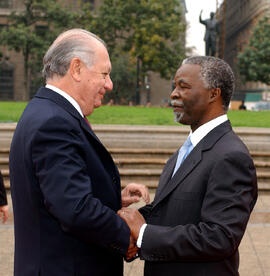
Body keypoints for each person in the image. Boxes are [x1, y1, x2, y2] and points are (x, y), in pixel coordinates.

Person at [9, 28, 149, 276]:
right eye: (104, 74)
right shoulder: (54, 123)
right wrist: (130, 235)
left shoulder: (45, 111)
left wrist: (112, 197)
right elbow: (74, 210)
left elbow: (58, 193)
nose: (109, 84)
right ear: (76, 69)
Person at [118, 56, 258, 276]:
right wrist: (127, 220)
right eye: (175, 86)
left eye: (183, 87)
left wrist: (144, 233)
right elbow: (171, 214)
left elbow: (219, 237)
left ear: (214, 93)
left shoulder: (231, 156)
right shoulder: (188, 149)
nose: (174, 93)